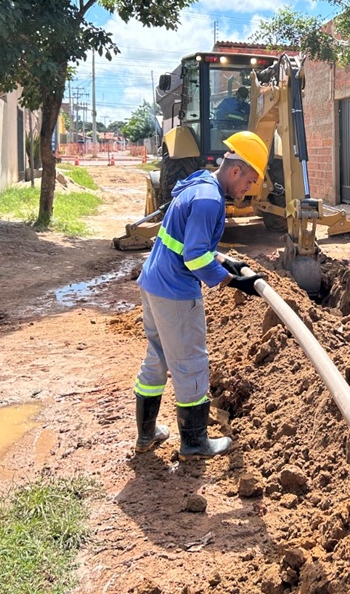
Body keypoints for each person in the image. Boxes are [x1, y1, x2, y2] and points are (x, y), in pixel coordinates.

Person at [132, 130, 268, 458]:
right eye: (249, 181)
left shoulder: (200, 184)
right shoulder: (210, 200)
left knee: (158, 356)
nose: (248, 189)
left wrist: (224, 259)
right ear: (235, 170)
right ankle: (194, 442)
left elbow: (189, 242)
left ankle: (146, 435)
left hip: (154, 282)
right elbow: (194, 257)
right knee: (191, 362)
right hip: (175, 291)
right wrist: (234, 282)